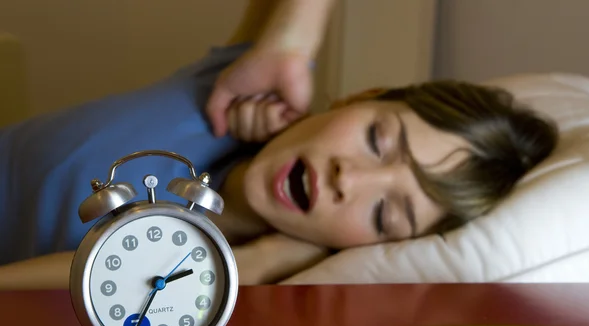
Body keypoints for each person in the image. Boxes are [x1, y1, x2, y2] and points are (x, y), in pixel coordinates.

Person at [0, 0, 558, 289]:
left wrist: (248, 265)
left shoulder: (208, 283)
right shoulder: (233, 81)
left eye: (386, 213)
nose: (349, 179)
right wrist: (291, 42)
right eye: (376, 138)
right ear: (358, 97)